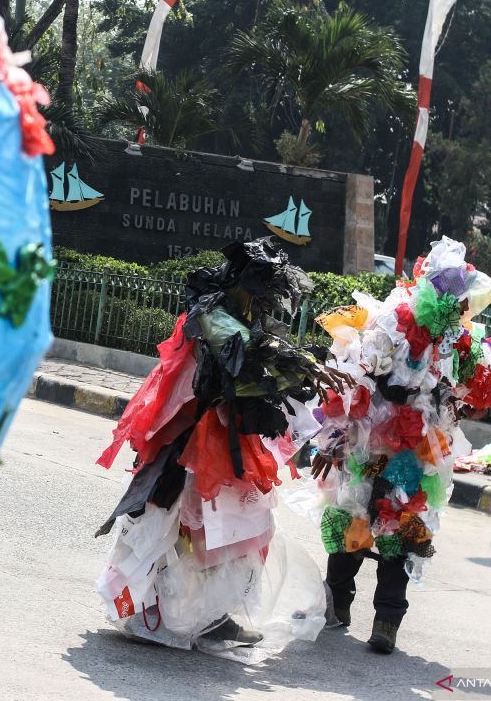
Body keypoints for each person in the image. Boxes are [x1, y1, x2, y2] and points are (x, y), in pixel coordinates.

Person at [308, 237, 491, 654]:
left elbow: (490, 374)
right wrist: (334, 438)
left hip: (419, 451)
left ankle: (387, 621)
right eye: (462, 301)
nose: (467, 309)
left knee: (403, 530)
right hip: (371, 441)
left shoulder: (459, 341)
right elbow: (355, 371)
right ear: (443, 295)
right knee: (351, 522)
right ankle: (336, 603)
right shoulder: (393, 320)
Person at [94, 237, 348, 660]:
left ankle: (215, 617)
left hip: (231, 441)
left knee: (242, 531)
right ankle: (148, 611)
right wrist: (293, 363)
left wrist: (300, 370)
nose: (265, 304)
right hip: (193, 444)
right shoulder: (212, 313)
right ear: (240, 283)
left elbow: (257, 365)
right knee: (180, 531)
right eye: (260, 292)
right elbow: (240, 356)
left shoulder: (248, 315)